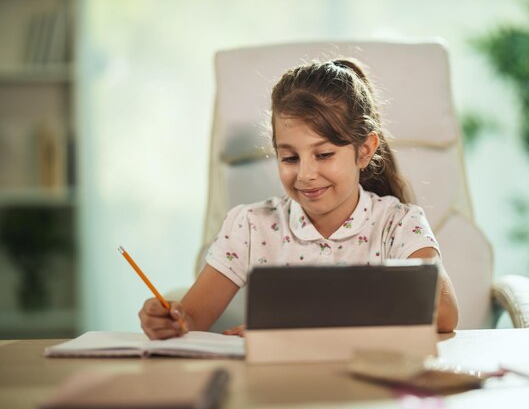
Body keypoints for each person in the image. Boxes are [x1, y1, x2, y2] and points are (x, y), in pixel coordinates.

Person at [139, 58, 459, 340]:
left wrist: (306, 329)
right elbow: (192, 318)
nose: (305, 174)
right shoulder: (250, 226)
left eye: (323, 154)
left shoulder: (399, 223)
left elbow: (443, 315)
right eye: (290, 158)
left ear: (364, 150)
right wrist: (171, 320)